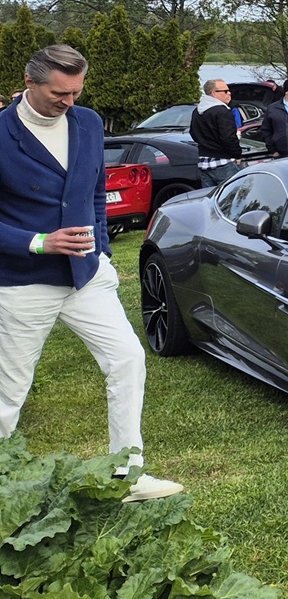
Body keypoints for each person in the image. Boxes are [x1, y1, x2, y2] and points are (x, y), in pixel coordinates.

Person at [0, 46, 181, 501]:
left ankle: (129, 475)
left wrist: (100, 251)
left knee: (128, 359)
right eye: (59, 93)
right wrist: (39, 242)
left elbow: (96, 189)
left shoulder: (89, 122)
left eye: (77, 92)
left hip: (86, 277)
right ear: (30, 81)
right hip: (23, 280)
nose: (69, 102)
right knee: (10, 390)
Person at [191, 80, 245, 186]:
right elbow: (228, 137)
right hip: (224, 163)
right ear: (214, 94)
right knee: (232, 198)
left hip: (203, 163)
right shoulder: (223, 111)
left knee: (209, 199)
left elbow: (193, 133)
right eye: (225, 91)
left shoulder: (197, 111)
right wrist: (237, 155)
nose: (229, 93)